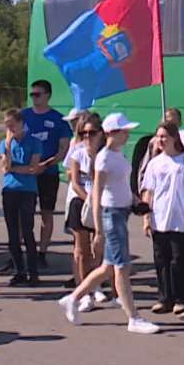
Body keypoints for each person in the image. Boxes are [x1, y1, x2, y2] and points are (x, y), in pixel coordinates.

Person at [58, 113, 160, 335]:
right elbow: (97, 193)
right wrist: (99, 231)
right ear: (113, 133)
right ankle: (133, 317)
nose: (127, 133)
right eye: (124, 130)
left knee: (108, 267)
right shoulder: (104, 158)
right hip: (111, 215)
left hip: (121, 213)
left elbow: (122, 185)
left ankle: (74, 298)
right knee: (122, 267)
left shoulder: (117, 155)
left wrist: (136, 201)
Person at [141, 121, 184, 314]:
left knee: (180, 260)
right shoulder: (154, 163)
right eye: (158, 136)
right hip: (159, 219)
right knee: (161, 260)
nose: (160, 140)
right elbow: (148, 192)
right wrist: (146, 217)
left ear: (174, 138)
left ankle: (181, 298)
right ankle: (164, 297)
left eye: (164, 136)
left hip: (180, 219)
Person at [21, 80, 70, 257]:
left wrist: (46, 164)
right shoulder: (23, 116)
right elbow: (12, 140)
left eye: (38, 94)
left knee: (46, 213)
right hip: (26, 174)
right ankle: (23, 252)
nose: (34, 98)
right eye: (32, 94)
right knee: (24, 215)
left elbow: (64, 148)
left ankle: (42, 252)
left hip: (48, 173)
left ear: (47, 95)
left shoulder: (58, 119)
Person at [65, 112, 108, 307]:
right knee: (81, 249)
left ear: (101, 133)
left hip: (103, 201)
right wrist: (89, 199)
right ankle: (85, 293)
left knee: (98, 246)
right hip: (81, 200)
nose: (87, 137)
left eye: (91, 133)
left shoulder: (107, 153)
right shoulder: (77, 152)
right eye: (83, 133)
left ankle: (96, 284)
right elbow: (74, 182)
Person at [0, 108, 43, 286]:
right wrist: (9, 147)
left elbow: (33, 168)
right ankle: (19, 271)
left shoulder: (33, 141)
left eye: (13, 126)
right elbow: (5, 167)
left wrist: (15, 169)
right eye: (7, 126)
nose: (10, 129)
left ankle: (33, 271)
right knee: (12, 233)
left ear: (20, 124)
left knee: (27, 230)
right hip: (9, 189)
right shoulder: (5, 143)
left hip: (27, 190)